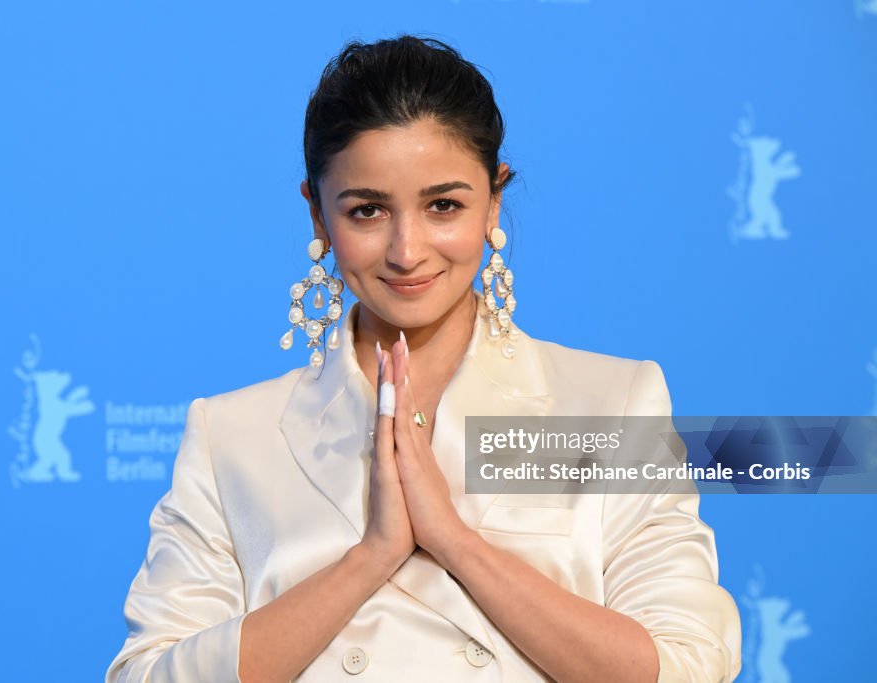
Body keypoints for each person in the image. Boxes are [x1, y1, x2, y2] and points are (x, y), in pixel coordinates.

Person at [105, 34, 741, 683]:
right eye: (367, 210)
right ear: (317, 215)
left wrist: (455, 541)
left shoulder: (611, 401)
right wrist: (369, 556)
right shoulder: (231, 437)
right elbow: (146, 676)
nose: (407, 250)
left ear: (494, 199)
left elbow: (685, 665)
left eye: (443, 205)